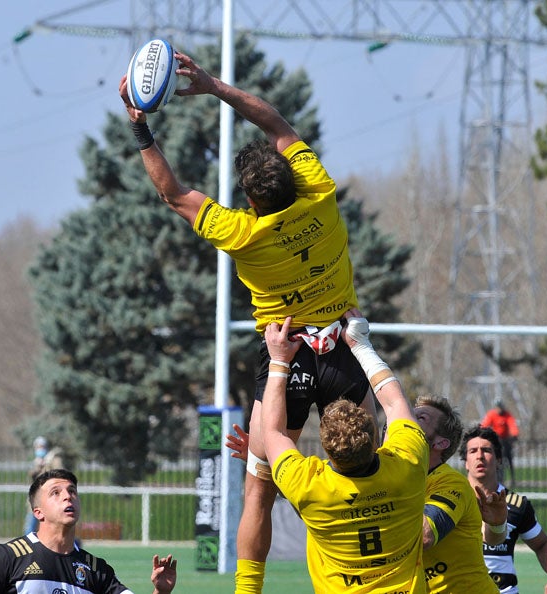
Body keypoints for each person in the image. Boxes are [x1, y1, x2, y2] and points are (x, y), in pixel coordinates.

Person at [120, 50, 370, 594]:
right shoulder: (322, 195)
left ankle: (246, 592)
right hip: (346, 351)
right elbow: (277, 125)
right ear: (294, 179)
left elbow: (172, 194)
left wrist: (141, 128)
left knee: (260, 485)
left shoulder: (242, 234)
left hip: (286, 357)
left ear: (252, 199)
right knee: (358, 479)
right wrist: (213, 86)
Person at [257, 309, 429, 592]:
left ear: (327, 450)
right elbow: (396, 404)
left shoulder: (309, 486)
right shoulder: (407, 466)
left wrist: (278, 360)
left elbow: (273, 432)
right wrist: (360, 345)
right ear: (375, 437)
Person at [0, 468, 177, 594]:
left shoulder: (96, 569)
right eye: (55, 493)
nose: (68, 497)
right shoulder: (8, 556)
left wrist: (161, 591)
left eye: (72, 491)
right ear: (38, 512)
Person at [460, 425, 547, 594]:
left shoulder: (516, 505)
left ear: (499, 459)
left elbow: (541, 544)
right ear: (465, 461)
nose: (479, 456)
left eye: (486, 450)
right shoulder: (452, 499)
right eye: (473, 451)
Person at [415, 397, 503, 594]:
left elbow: (424, 536)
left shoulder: (450, 482)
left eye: (420, 417)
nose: (406, 418)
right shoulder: (398, 479)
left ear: (440, 443)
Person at [25, 436, 65, 534]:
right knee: (30, 526)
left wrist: (48, 464)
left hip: (51, 499)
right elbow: (30, 477)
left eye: (42, 446)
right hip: (36, 499)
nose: (40, 449)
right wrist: (37, 467)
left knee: (53, 526)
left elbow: (60, 473)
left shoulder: (53, 459)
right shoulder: (36, 462)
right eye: (38, 447)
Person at [480, 398, 520, 484]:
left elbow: (512, 425)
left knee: (509, 458)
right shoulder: (492, 414)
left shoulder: (507, 415)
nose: (499, 409)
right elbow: (485, 424)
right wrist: (482, 433)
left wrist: (514, 434)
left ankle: (513, 478)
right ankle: (499, 478)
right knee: (498, 460)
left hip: (505, 440)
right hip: (496, 441)